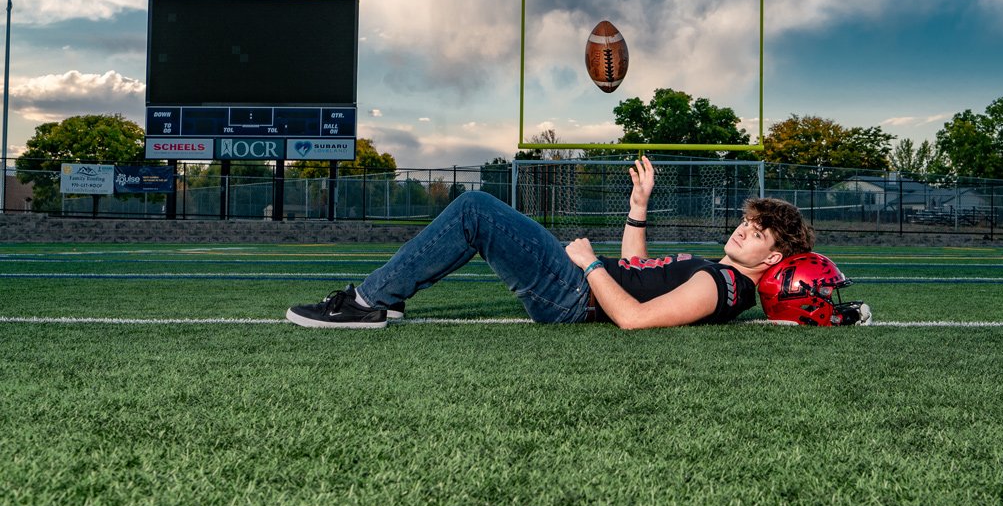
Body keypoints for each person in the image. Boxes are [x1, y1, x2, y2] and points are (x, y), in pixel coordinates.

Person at [286, 156, 815, 330]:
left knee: (474, 210)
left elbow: (633, 318)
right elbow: (640, 269)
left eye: (758, 231)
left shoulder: (722, 287)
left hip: (574, 293)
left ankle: (367, 301)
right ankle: (384, 296)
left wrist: (586, 265)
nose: (744, 228)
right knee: (479, 215)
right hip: (579, 285)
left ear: (772, 256)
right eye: (748, 221)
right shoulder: (719, 274)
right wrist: (638, 208)